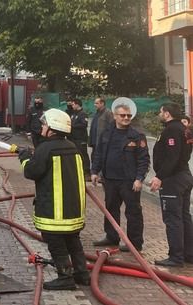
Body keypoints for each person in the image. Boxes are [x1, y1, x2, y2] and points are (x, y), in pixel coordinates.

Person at [18, 108, 88, 290]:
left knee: (56, 245)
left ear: (52, 128)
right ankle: (82, 274)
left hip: (54, 212)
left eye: (44, 124)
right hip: (73, 210)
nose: (41, 126)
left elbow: (31, 172)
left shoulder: (45, 148)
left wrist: (25, 158)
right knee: (74, 242)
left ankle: (65, 277)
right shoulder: (72, 147)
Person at [90, 103, 149, 252]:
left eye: (128, 116)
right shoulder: (107, 133)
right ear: (115, 116)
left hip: (129, 181)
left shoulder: (136, 136)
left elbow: (144, 160)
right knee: (111, 209)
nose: (126, 118)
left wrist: (139, 178)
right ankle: (111, 237)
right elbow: (98, 154)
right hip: (109, 179)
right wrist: (94, 171)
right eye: (122, 115)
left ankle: (134, 243)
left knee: (133, 211)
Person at [150, 102, 193, 267]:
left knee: (173, 218)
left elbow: (172, 157)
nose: (160, 114)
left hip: (174, 180)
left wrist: (159, 176)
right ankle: (189, 254)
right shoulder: (183, 129)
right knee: (184, 216)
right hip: (184, 177)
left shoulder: (172, 130)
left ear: (167, 113)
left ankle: (176, 257)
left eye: (161, 111)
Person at [69, 99, 90, 178]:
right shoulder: (73, 114)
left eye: (73, 104)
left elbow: (84, 125)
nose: (72, 106)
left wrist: (73, 126)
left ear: (77, 104)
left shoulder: (83, 114)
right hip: (73, 138)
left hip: (81, 139)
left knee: (83, 154)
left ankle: (87, 172)